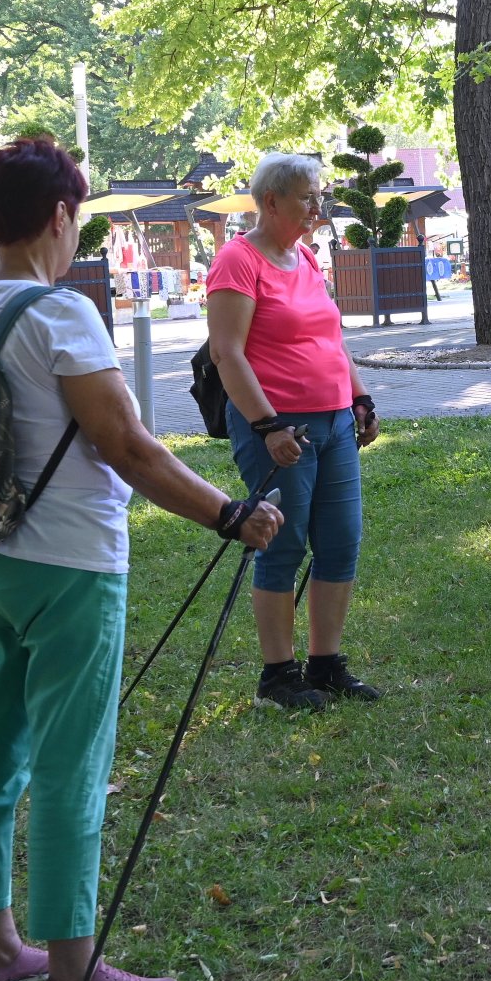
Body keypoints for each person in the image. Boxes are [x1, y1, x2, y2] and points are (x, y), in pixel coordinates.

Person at [0, 137, 282, 981]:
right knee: (69, 766)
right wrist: (226, 512)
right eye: (79, 215)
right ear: (60, 216)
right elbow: (127, 446)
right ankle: (71, 972)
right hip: (70, 569)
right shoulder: (61, 315)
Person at [207, 152, 381, 711]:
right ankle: (277, 676)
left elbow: (330, 340)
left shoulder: (304, 256)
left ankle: (325, 664)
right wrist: (267, 426)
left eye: (319, 195)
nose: (318, 206)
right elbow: (227, 353)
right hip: (279, 427)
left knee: (341, 542)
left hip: (333, 421)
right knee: (282, 543)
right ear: (272, 200)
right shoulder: (238, 261)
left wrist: (359, 396)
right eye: (308, 196)